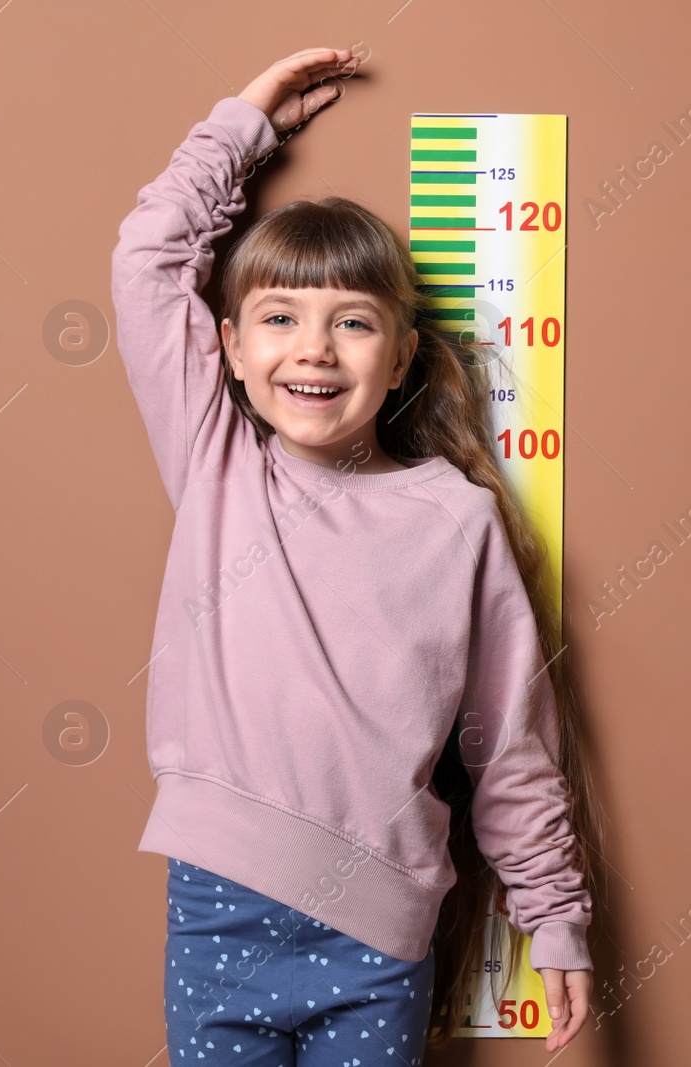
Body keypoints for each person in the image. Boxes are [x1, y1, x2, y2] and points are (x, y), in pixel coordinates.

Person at [110, 47, 599, 1063]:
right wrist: (242, 125)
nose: (315, 349)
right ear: (233, 351)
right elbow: (147, 263)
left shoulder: (456, 521)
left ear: (402, 353)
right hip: (218, 906)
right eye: (280, 318)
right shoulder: (219, 467)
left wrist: (552, 909)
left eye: (354, 323)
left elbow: (507, 740)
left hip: (380, 930)